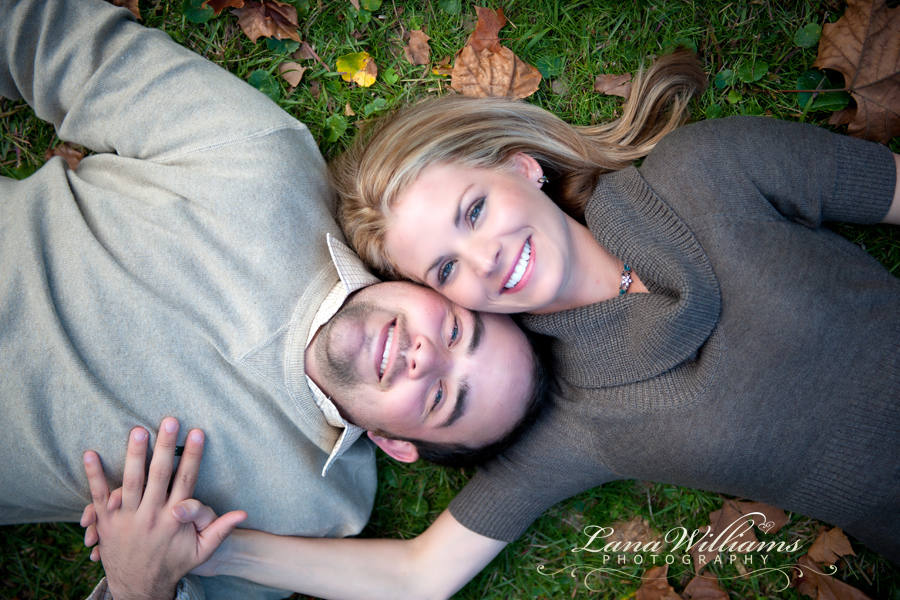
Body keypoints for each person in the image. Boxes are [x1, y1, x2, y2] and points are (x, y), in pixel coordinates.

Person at [84, 49, 900, 598]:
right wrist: (209, 551)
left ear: (522, 167)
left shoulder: (712, 168)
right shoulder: (573, 416)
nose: (482, 260)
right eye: (443, 269)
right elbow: (418, 575)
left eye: (473, 210)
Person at [0, 0, 544, 598]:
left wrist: (137, 586)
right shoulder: (264, 162)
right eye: (457, 333)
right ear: (431, 286)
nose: (424, 356)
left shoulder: (311, 516)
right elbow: (52, 40)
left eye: (442, 395)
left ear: (396, 444)